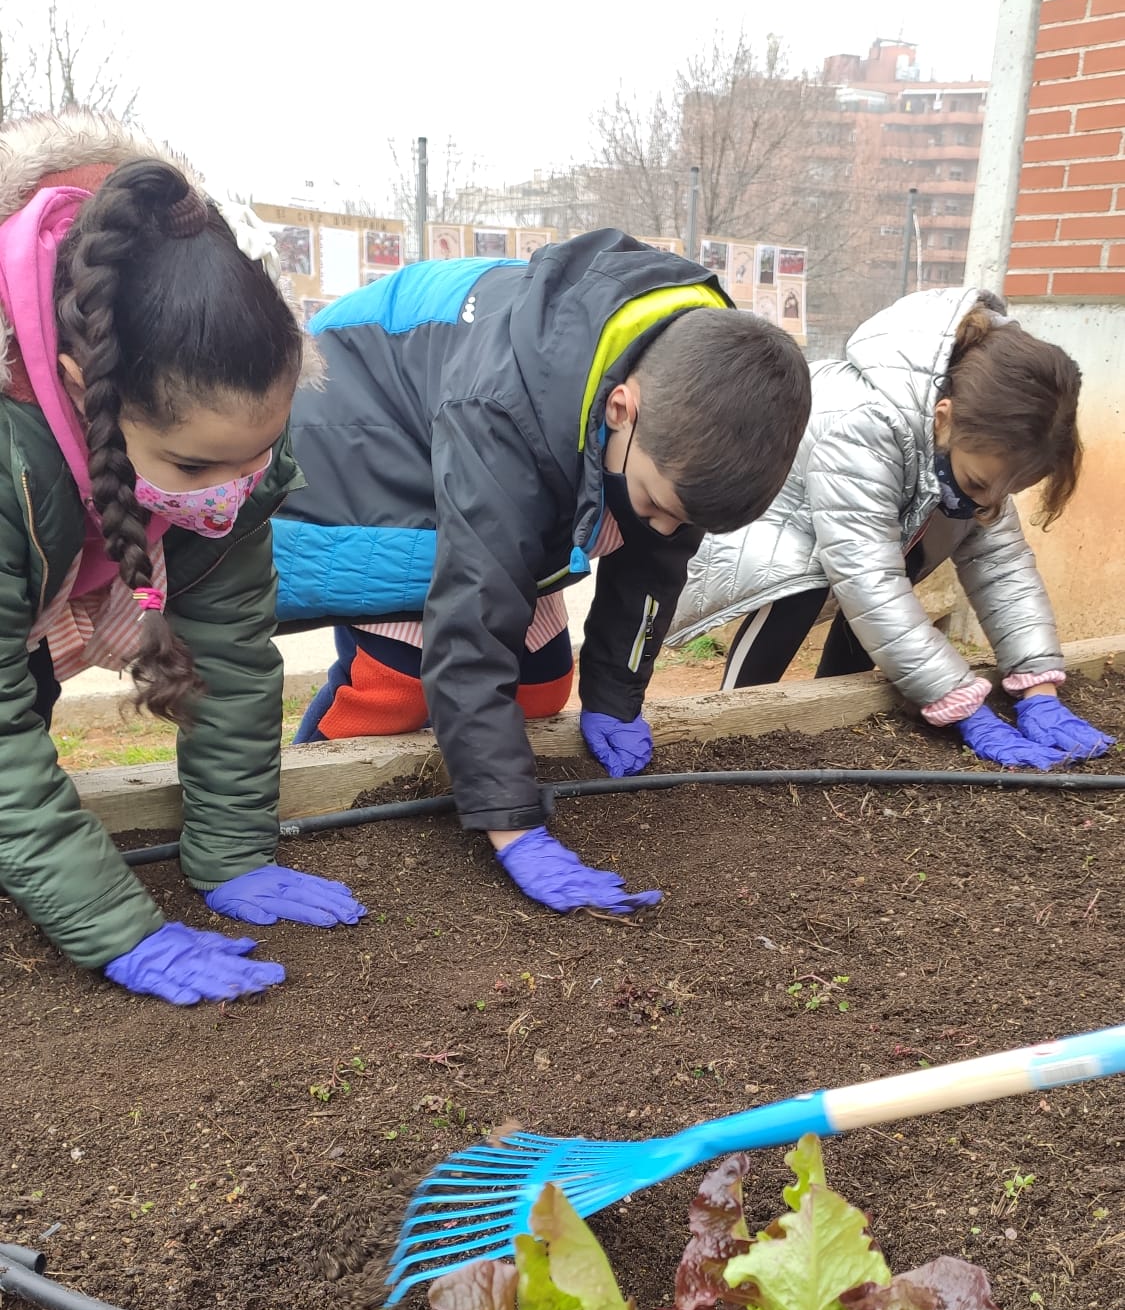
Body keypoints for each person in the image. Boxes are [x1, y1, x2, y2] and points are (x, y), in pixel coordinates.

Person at [274, 229, 811, 914]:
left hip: (493, 435)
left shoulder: (700, 396)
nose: (660, 530)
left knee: (543, 682)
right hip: (356, 428)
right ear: (621, 409)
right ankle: (315, 788)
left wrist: (615, 694)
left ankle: (458, 754)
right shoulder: (502, 408)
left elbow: (653, 558)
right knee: (400, 679)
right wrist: (514, 827)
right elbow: (472, 617)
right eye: (655, 504)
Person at [0, 113, 366, 1008]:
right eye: (195, 468)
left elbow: (229, 650)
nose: (229, 494)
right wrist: (119, 928)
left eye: (256, 456)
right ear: (82, 387)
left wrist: (233, 850)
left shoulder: (221, 418)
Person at [669, 286, 1114, 769]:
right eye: (979, 483)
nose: (989, 502)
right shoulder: (866, 424)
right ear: (944, 419)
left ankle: (834, 713)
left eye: (1006, 491)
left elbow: (1003, 568)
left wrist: (1038, 685)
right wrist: (958, 699)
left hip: (859, 534)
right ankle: (730, 725)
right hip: (777, 525)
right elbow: (867, 580)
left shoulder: (983, 445)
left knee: (914, 557)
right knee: (800, 588)